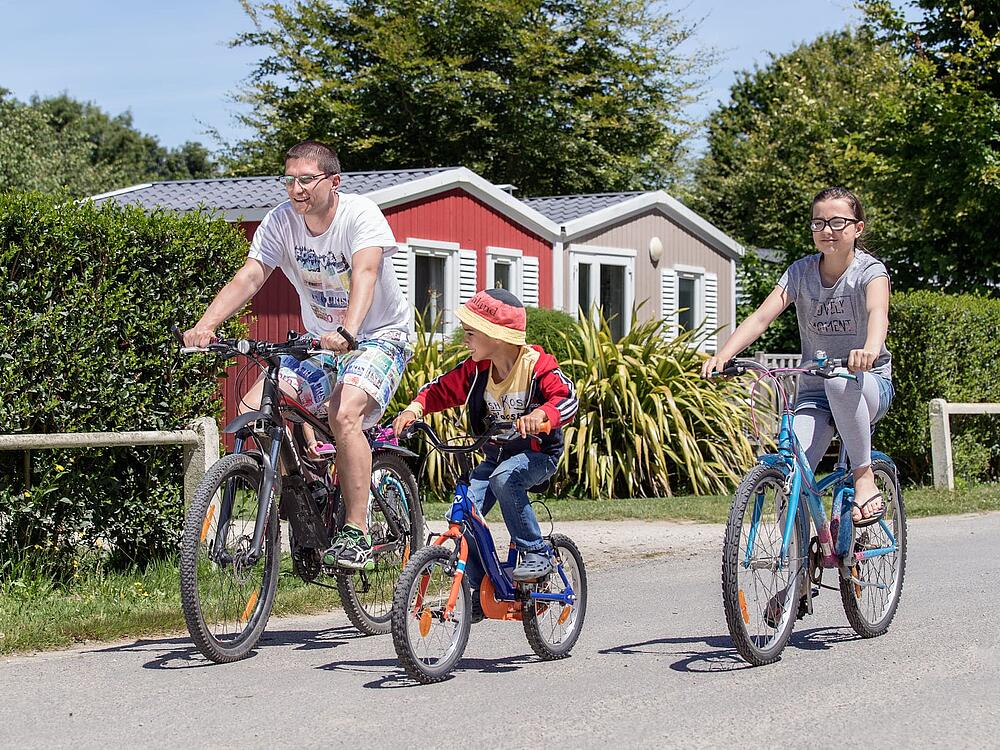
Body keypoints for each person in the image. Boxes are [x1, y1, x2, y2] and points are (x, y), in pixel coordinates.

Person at [183, 140, 412, 571]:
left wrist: (350, 330)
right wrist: (207, 324)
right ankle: (306, 492)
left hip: (378, 336)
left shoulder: (359, 215)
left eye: (306, 179)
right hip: (318, 341)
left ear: (333, 181)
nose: (296, 189)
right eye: (289, 180)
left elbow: (365, 272)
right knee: (255, 408)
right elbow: (251, 275)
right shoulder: (280, 222)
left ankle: (357, 531)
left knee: (344, 414)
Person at [702, 186, 894, 528]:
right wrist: (724, 354)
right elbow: (762, 317)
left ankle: (864, 478)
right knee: (792, 473)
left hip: (867, 384)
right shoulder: (800, 272)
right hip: (814, 393)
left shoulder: (870, 272)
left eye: (838, 222)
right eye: (818, 223)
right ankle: (799, 570)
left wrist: (870, 348)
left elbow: (878, 312)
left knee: (839, 382)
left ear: (858, 227)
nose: (827, 230)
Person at [393, 288, 578, 619]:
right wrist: (416, 407)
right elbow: (440, 388)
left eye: (470, 333)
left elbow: (566, 398)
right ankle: (478, 589)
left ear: (497, 336)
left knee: (505, 480)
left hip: (537, 454)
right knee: (464, 513)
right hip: (495, 454)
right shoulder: (476, 369)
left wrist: (543, 416)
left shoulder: (536, 365)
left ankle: (536, 551)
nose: (465, 341)